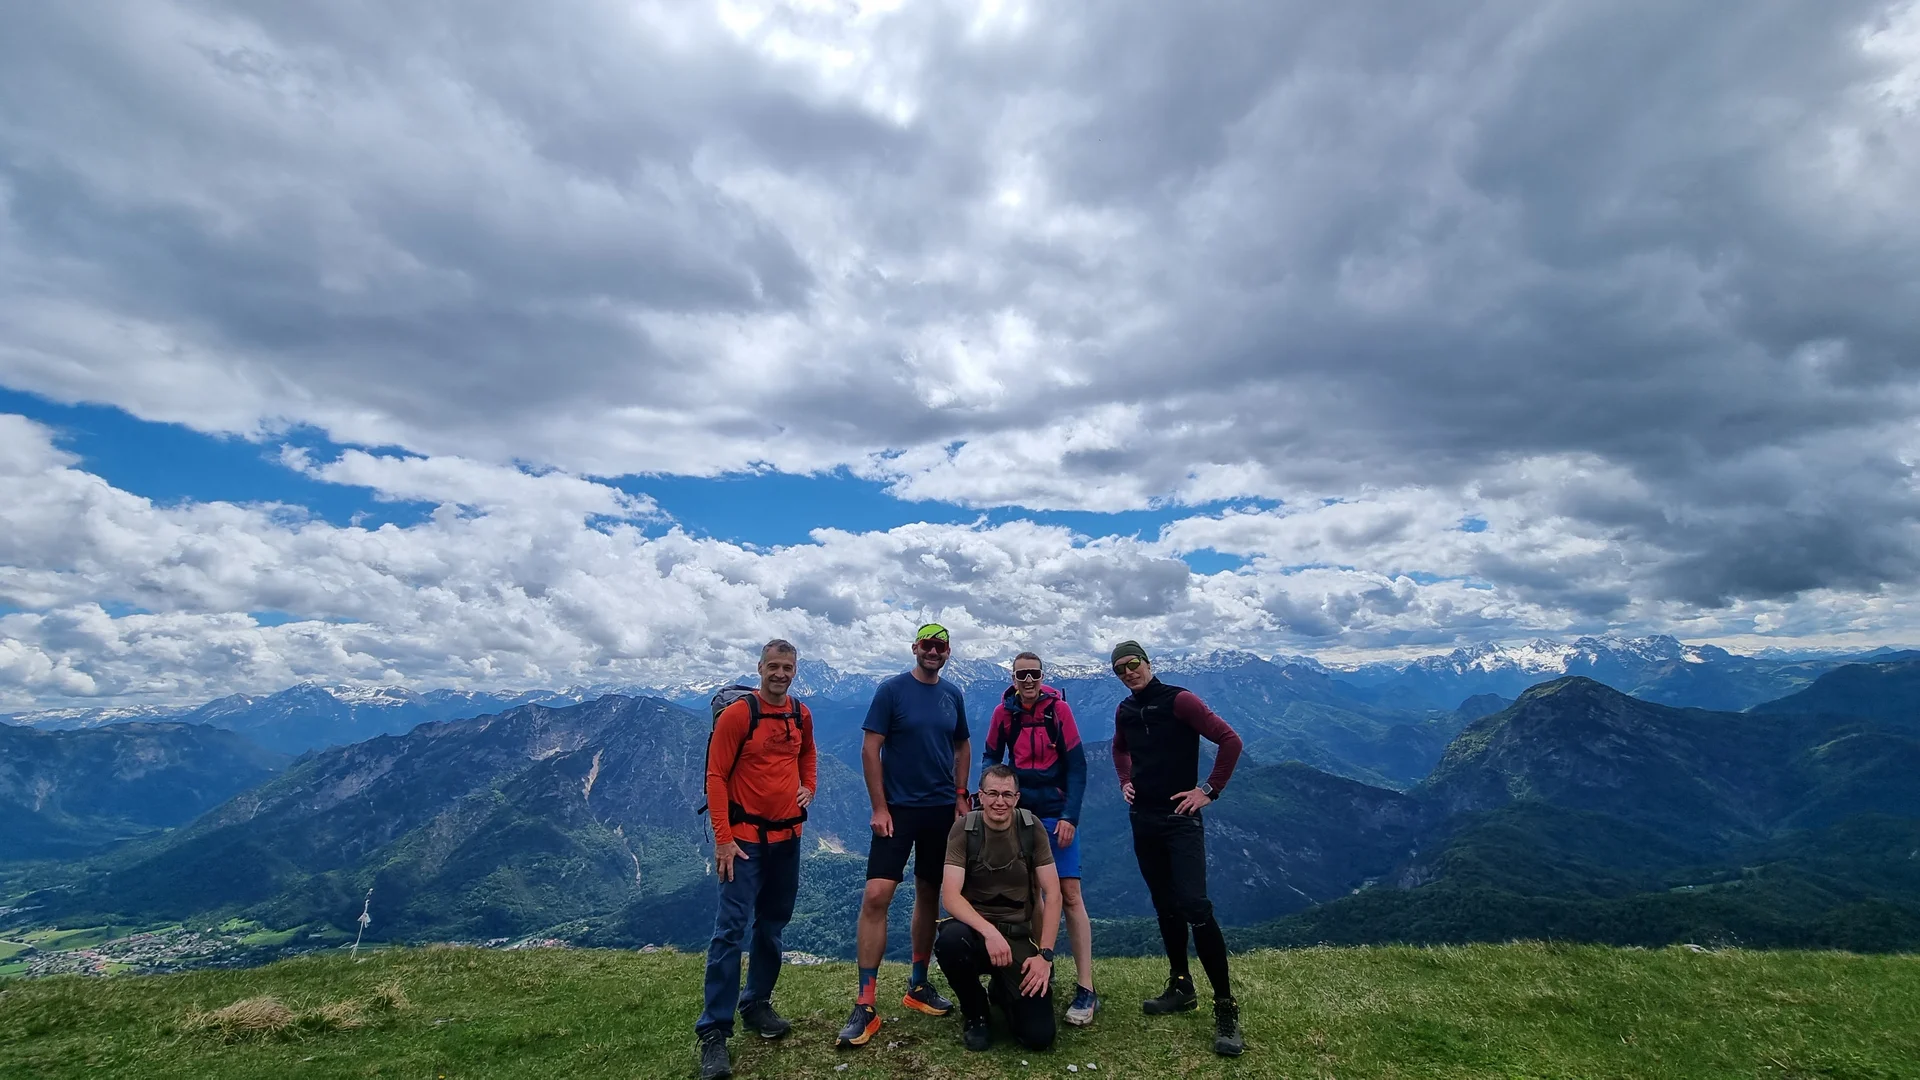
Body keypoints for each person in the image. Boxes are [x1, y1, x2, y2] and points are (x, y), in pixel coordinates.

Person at [837, 622, 972, 1050]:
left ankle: (917, 985)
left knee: (930, 894)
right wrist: (879, 807)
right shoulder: (891, 690)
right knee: (877, 895)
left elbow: (962, 746)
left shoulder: (953, 694)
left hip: (939, 811)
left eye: (941, 646)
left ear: (948, 652)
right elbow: (869, 748)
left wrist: (960, 795)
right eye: (927, 644)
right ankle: (865, 1002)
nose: (933, 651)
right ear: (915, 647)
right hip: (897, 810)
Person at [1109, 640, 1247, 1057]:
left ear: (1148, 663)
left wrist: (1209, 790)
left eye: (1133, 664)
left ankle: (1226, 1007)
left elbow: (1230, 741)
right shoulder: (1125, 710)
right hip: (1143, 820)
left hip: (1180, 822)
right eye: (1120, 669)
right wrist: (1124, 779)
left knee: (1195, 907)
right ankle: (1181, 985)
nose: (1129, 672)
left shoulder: (1181, 701)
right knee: (1165, 906)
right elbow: (1119, 747)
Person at [696, 639, 817, 1080]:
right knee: (729, 931)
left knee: (771, 926)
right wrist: (723, 840)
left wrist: (810, 787)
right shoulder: (738, 715)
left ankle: (757, 1004)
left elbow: (807, 754)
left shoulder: (800, 714)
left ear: (794, 670)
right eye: (774, 666)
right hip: (743, 841)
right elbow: (715, 774)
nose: (780, 674)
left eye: (788, 667)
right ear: (760, 668)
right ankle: (713, 1032)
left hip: (788, 837)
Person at [982, 651, 1099, 1026]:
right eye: (1021, 675)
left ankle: (1086, 987)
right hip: (1019, 815)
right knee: (1029, 894)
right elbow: (990, 757)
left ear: (1042, 675)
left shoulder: (1057, 711)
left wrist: (1070, 817)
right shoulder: (1004, 715)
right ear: (1013, 677)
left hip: (1054, 814)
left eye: (1034, 674)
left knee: (1069, 894)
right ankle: (1031, 971)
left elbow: (1078, 767)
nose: (1028, 680)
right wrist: (991, 797)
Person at [935, 764, 1062, 1052]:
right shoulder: (964, 829)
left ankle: (1003, 992)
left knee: (1038, 1037)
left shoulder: (1032, 828)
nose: (999, 801)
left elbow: (1053, 894)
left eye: (1006, 794)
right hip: (976, 934)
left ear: (1017, 798)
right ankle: (976, 1013)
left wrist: (1045, 956)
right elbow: (951, 897)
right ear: (980, 796)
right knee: (951, 940)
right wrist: (989, 932)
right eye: (992, 793)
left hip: (1018, 937)